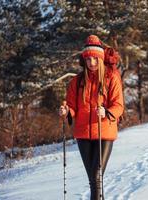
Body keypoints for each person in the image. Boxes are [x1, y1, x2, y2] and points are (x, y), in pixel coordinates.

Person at [59, 35, 124, 200]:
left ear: (101, 59)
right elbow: (72, 106)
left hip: (105, 133)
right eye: (88, 59)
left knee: (96, 177)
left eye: (95, 59)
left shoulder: (111, 78)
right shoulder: (77, 81)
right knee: (93, 180)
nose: (92, 63)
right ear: (84, 60)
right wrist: (66, 111)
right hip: (83, 135)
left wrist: (106, 112)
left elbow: (118, 105)